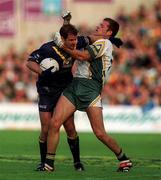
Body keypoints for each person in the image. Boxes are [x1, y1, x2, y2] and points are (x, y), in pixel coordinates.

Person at [43, 17, 133, 172]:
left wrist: (61, 46)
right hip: (75, 85)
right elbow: (73, 38)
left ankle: (124, 159)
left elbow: (83, 56)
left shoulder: (105, 43)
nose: (98, 26)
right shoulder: (97, 40)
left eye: (102, 26)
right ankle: (48, 164)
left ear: (109, 32)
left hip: (91, 89)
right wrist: (66, 25)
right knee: (55, 122)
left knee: (100, 133)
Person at [26, 21, 89, 171]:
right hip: (46, 91)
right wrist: (43, 72)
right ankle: (44, 163)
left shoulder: (76, 42)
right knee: (46, 128)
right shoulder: (48, 49)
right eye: (71, 40)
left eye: (75, 39)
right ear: (62, 39)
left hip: (65, 90)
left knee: (69, 127)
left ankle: (77, 162)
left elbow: (91, 38)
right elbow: (30, 62)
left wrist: (109, 38)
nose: (74, 43)